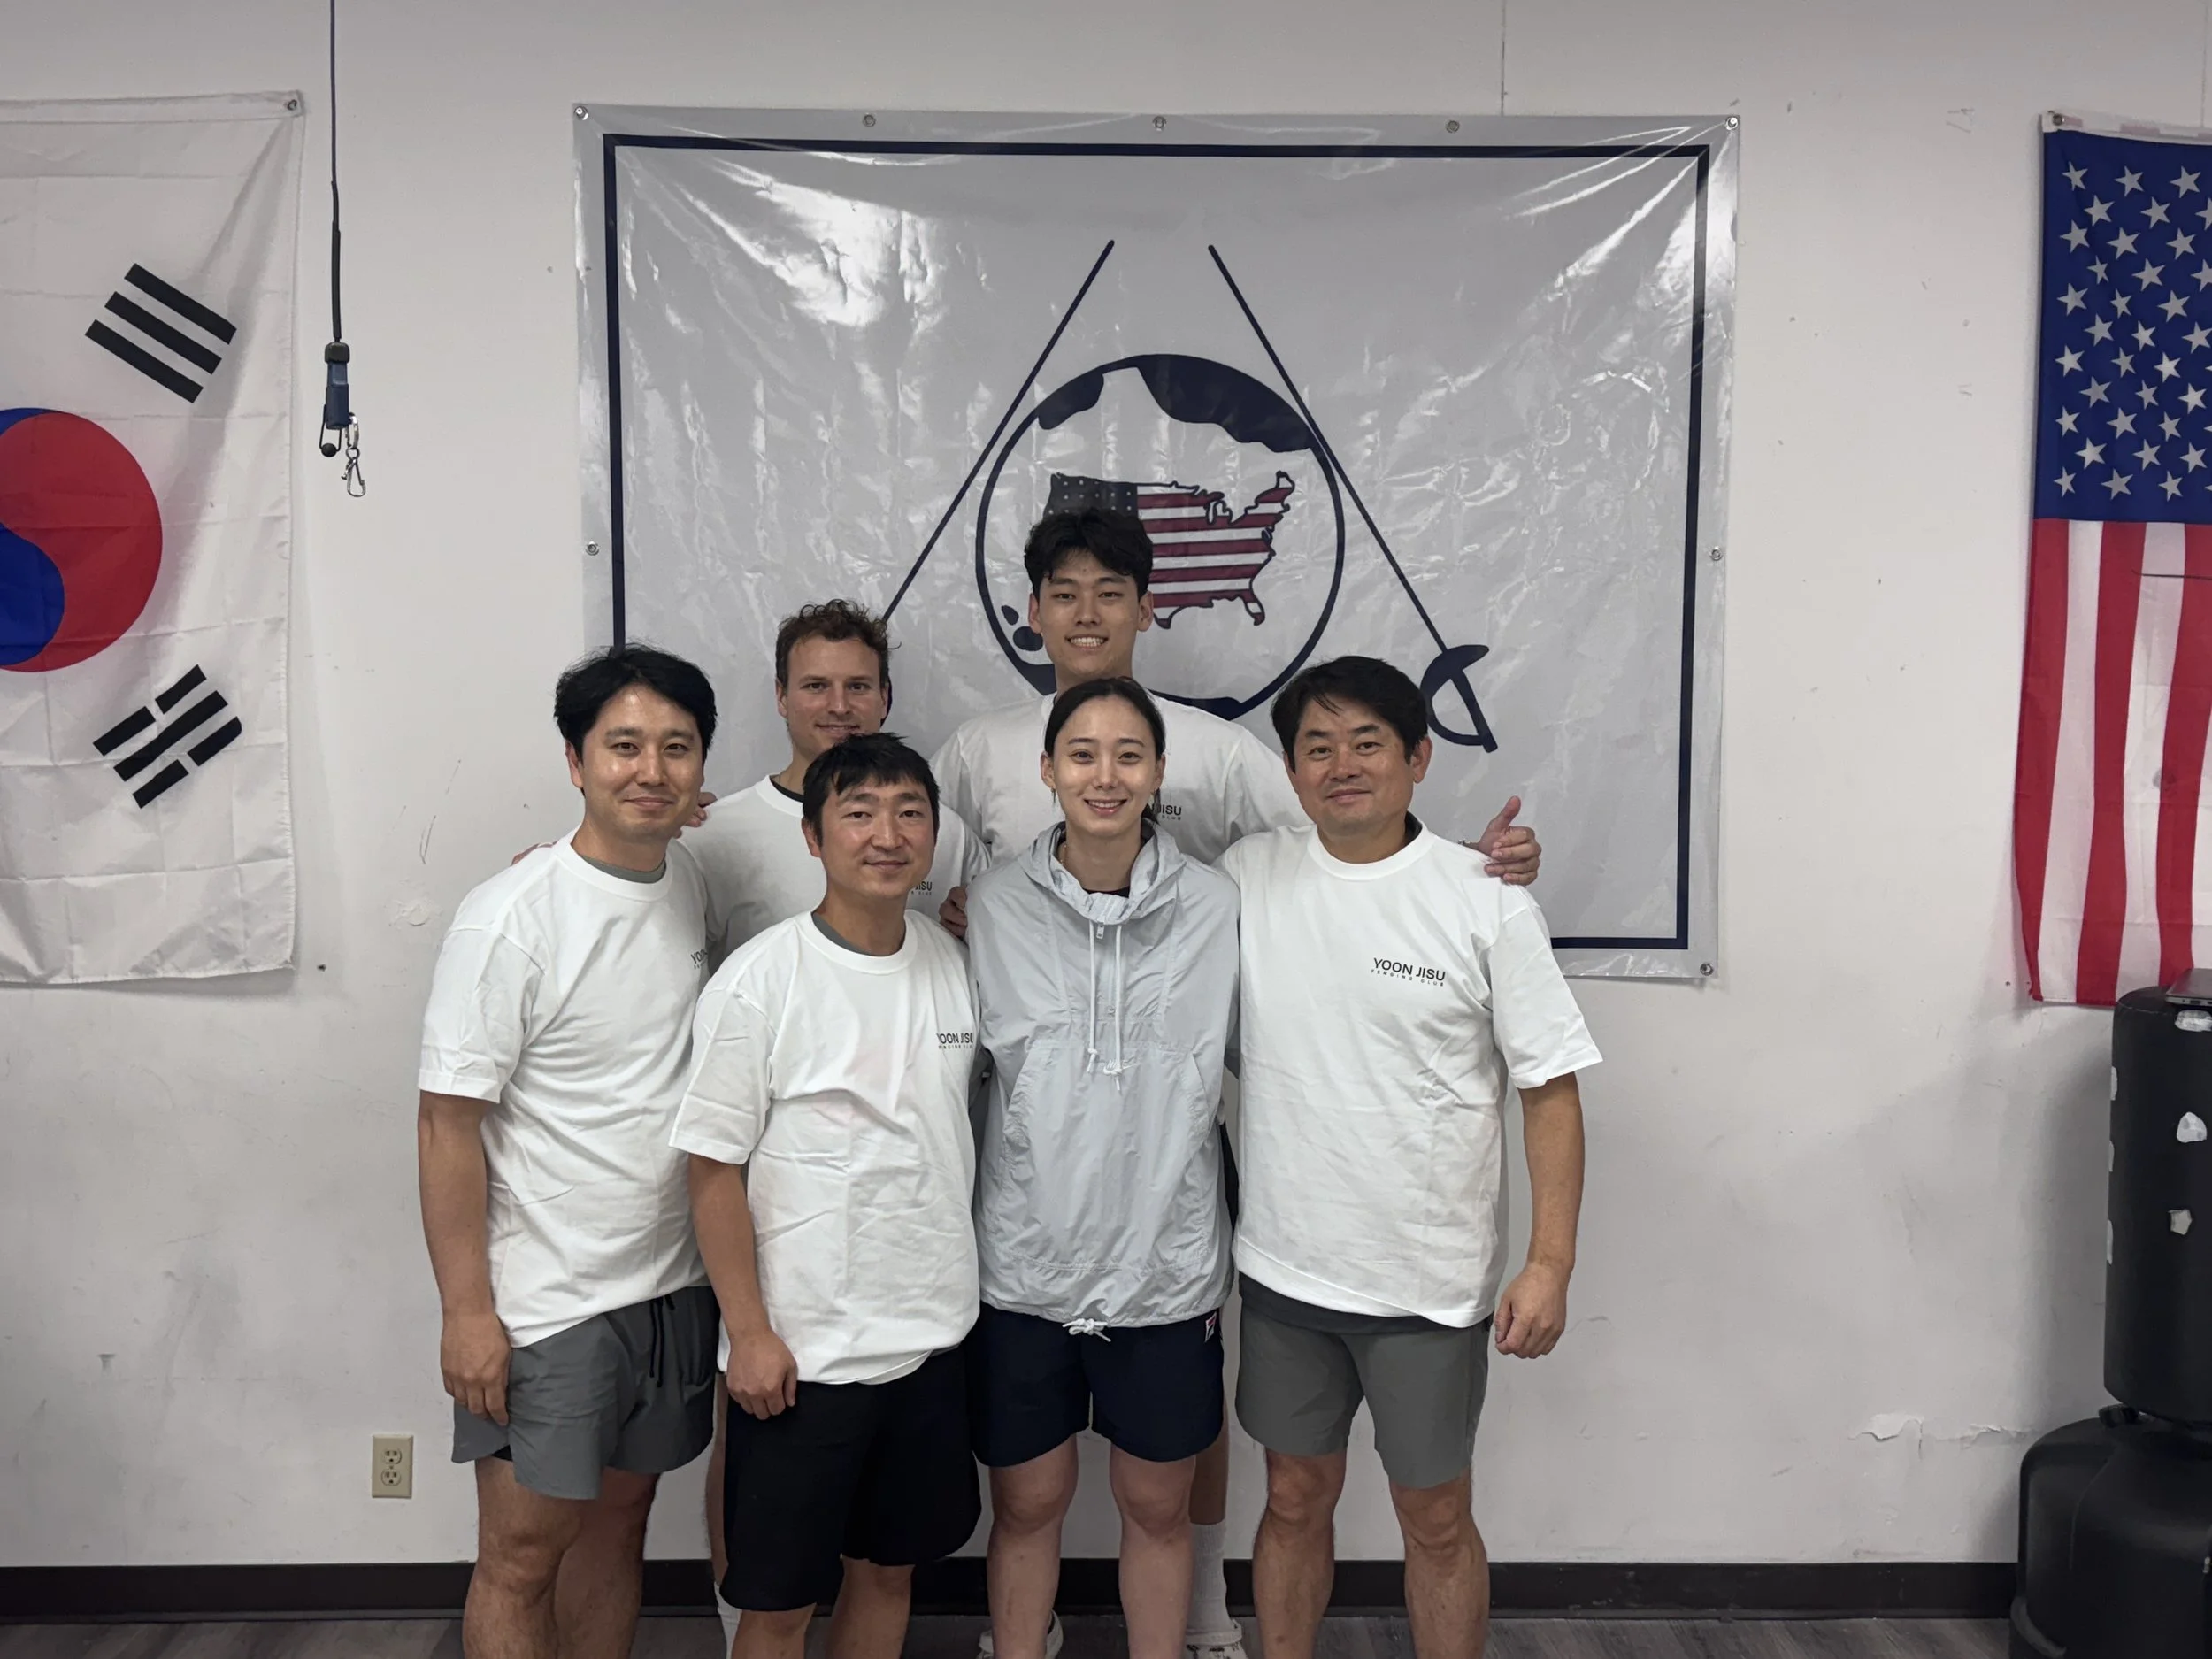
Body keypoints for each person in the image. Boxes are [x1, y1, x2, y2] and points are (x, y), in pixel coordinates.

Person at [931, 507, 1542, 1659]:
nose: (1087, 611)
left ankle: (1205, 1620)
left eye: (1111, 589)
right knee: (1028, 1499)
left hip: (1173, 1209)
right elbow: (900, 867)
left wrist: (1480, 865)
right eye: (1064, 590)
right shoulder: (980, 796)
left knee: (1175, 1488)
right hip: (1023, 1228)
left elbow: (1351, 843)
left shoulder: (1226, 853)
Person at [1217, 657, 1600, 1659]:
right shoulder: (1246, 876)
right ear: (1292, 771)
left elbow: (1549, 1088)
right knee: (1294, 1499)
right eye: (1316, 746)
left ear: (1418, 757)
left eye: (1367, 743)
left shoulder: (1484, 898)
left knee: (1432, 1517)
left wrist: (1549, 1262)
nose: (1342, 765)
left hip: (1424, 1285)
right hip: (1286, 1269)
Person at [681, 599, 985, 1647]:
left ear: (934, 835)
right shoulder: (760, 983)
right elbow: (711, 1170)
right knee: (773, 1607)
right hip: (802, 1358)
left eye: (909, 814)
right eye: (858, 814)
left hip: (930, 1339)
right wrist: (752, 1335)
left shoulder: (953, 965)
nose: (886, 835)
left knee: (888, 1579)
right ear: (811, 835)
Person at [417, 646, 723, 1659]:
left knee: (619, 1529)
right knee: (521, 1555)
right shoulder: (511, 917)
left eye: (675, 749)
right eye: (624, 746)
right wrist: (468, 1313)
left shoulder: (686, 884)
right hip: (549, 1303)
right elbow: (444, 1123)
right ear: (575, 760)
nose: (651, 770)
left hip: (671, 1287)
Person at [964, 679, 1240, 1659]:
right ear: (1047, 772)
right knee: (1027, 1504)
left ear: (1160, 772)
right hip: (1025, 1268)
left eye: (1129, 755)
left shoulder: (1220, 909)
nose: (1105, 774)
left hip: (1164, 1271)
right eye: (1081, 754)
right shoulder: (988, 909)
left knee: (1157, 1506)